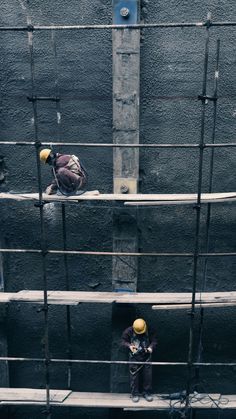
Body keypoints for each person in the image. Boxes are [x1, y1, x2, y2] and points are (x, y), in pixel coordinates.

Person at [121, 318, 157, 403]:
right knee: (134, 377)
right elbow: (123, 341)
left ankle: (147, 393)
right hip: (134, 357)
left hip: (146, 357)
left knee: (147, 376)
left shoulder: (150, 330)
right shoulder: (128, 331)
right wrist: (129, 346)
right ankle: (134, 394)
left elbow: (154, 341)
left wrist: (151, 348)